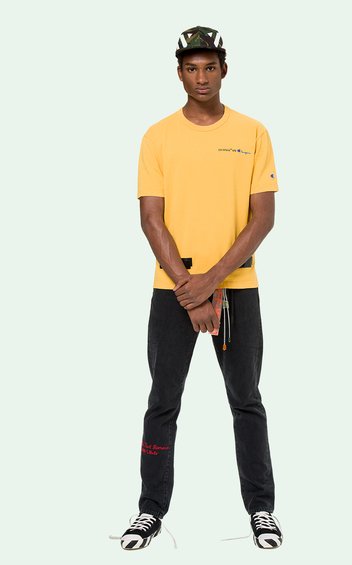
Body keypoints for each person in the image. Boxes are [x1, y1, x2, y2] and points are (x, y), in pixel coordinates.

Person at [118, 25, 283, 550]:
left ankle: (261, 509)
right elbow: (151, 219)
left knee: (246, 400)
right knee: (163, 401)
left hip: (236, 289)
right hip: (173, 289)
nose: (201, 77)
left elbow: (262, 219)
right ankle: (149, 511)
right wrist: (189, 290)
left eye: (210, 67)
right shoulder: (157, 136)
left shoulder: (253, 132)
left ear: (224, 70)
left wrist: (210, 284)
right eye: (191, 68)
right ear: (179, 73)